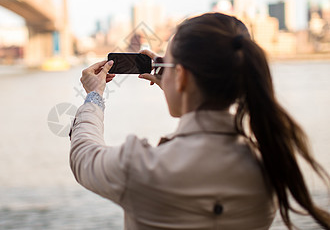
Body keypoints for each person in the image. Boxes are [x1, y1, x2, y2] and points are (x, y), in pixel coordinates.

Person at [69, 12, 330, 229]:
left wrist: (94, 96)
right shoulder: (271, 165)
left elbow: (83, 156)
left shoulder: (141, 166)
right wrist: (177, 84)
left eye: (166, 64)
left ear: (181, 76)